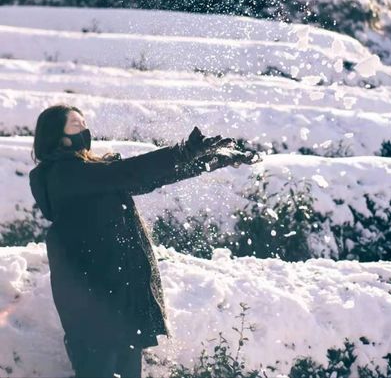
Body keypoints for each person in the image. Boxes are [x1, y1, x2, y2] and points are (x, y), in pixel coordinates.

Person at [29, 104, 262, 378]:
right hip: (91, 306)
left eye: (84, 122)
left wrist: (209, 160)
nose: (85, 129)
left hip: (119, 301)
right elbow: (130, 172)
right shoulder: (62, 175)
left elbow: (151, 178)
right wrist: (184, 151)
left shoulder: (93, 172)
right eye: (75, 125)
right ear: (57, 136)